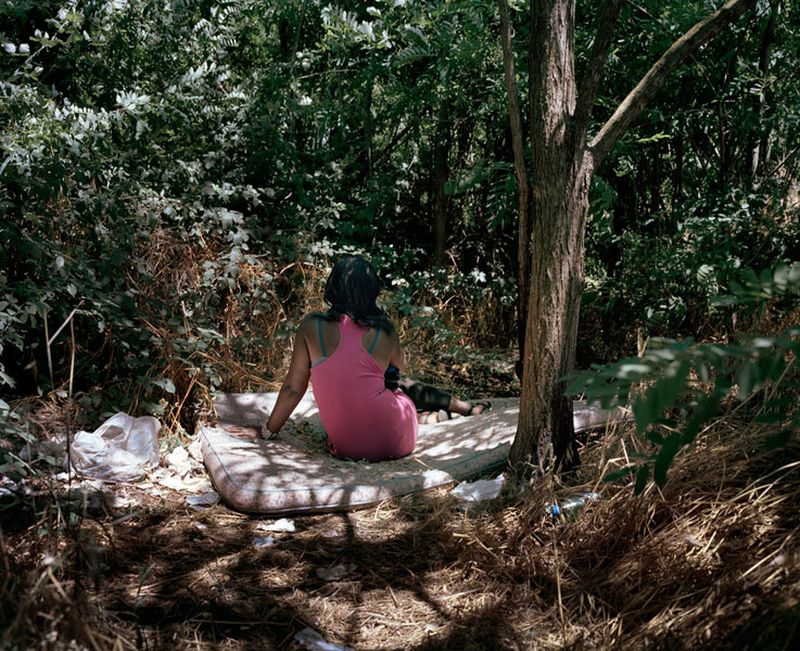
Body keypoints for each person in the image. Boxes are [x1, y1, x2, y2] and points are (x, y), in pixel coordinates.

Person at [261, 255, 489, 462]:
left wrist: (268, 431)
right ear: (372, 291)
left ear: (333, 287)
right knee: (397, 384)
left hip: (347, 449)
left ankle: (439, 415)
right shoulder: (385, 330)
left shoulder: (311, 326)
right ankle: (455, 410)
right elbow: (399, 368)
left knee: (383, 388)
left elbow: (293, 387)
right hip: (396, 444)